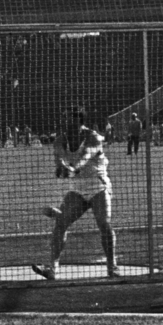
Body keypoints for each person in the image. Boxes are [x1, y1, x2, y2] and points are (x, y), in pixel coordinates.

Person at [34, 108, 117, 280]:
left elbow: (85, 158)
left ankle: (112, 266)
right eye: (64, 119)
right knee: (60, 224)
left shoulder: (93, 137)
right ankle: (52, 269)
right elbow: (58, 163)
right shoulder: (59, 140)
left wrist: (72, 169)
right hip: (77, 188)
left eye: (69, 119)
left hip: (98, 186)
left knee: (104, 223)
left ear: (79, 122)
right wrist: (61, 169)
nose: (65, 123)